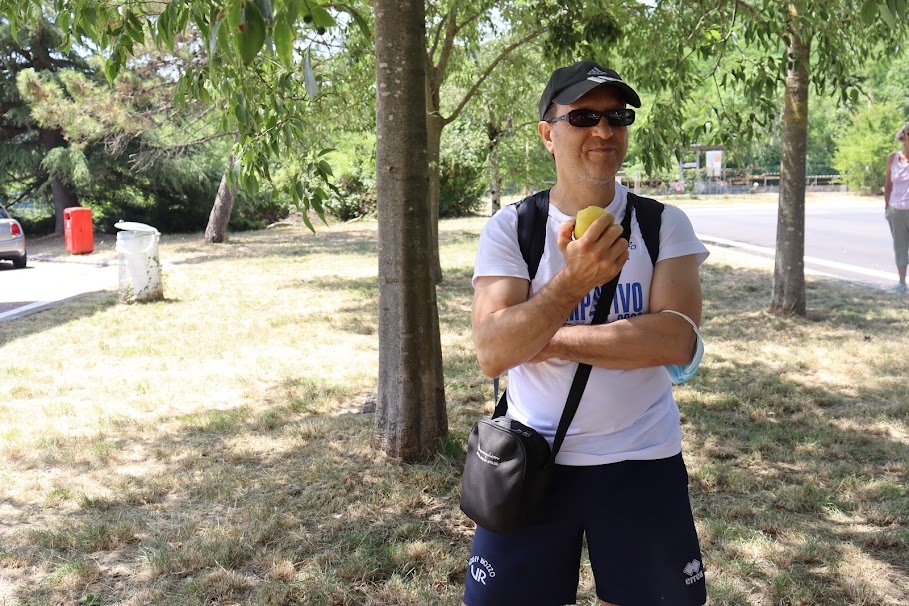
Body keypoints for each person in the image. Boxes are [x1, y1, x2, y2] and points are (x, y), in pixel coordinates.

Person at [463, 61, 709, 606]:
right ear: (548, 134)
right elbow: (492, 353)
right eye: (583, 117)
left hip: (643, 460)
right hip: (531, 460)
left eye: (617, 117)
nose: (603, 130)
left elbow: (675, 343)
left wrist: (538, 336)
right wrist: (572, 283)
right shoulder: (513, 229)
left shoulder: (663, 225)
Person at [884, 122, 909, 294]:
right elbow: (888, 184)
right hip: (896, 210)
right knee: (900, 247)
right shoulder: (893, 158)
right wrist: (887, 207)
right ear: (904, 137)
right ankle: (901, 283)